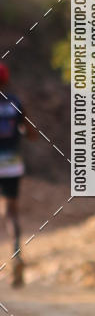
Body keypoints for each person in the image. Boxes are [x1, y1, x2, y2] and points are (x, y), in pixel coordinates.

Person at [0, 63, 33, 288]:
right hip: (12, 163)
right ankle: (16, 251)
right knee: (10, 211)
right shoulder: (16, 103)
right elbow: (31, 133)